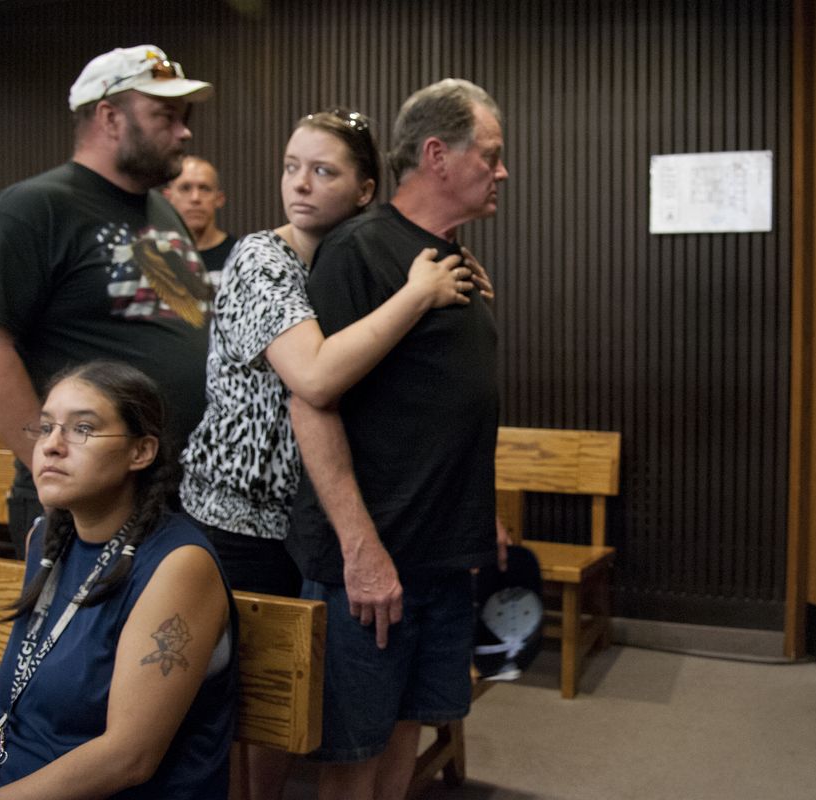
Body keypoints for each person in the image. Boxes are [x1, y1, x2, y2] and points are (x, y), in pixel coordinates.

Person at [178, 108, 474, 800]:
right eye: (291, 167)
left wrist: (446, 278)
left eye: (323, 171)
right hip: (236, 521)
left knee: (288, 705)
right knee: (243, 709)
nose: (300, 185)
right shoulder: (260, 258)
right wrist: (417, 295)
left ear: (365, 189)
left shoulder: (354, 259)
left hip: (303, 522)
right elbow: (313, 377)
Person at [287, 78, 508, 800]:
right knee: (353, 759)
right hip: (374, 563)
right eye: (492, 155)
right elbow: (311, 406)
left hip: (441, 554)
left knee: (404, 745)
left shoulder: (448, 257)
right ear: (438, 155)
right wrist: (359, 548)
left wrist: (485, 513)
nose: (502, 172)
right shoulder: (361, 251)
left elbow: (438, 404)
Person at [0, 45, 215, 557]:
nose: (183, 132)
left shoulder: (161, 211)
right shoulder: (32, 209)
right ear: (110, 117)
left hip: (176, 486)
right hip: (88, 498)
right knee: (89, 639)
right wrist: (49, 467)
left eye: (184, 118)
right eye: (165, 115)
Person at [0, 360, 234, 798]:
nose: (53, 446)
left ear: (141, 452)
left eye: (82, 429)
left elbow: (127, 759)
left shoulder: (179, 565)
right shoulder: (46, 537)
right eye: (45, 427)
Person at [163, 155, 235, 276]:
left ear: (219, 199)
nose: (195, 198)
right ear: (167, 197)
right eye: (185, 188)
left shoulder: (238, 254)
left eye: (204, 189)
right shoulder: (156, 255)